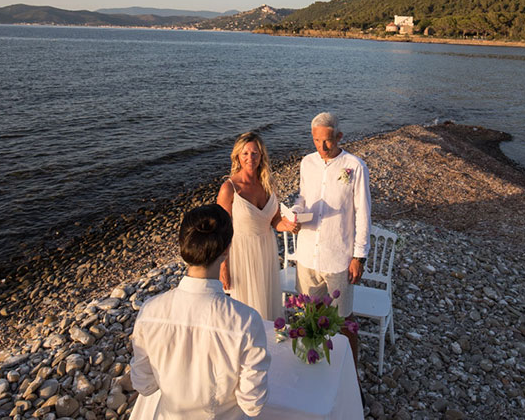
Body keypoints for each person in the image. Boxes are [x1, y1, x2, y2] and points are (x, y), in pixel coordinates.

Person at [129, 204, 270, 420]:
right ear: (226, 249)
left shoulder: (149, 312)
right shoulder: (246, 322)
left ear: (183, 247)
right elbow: (252, 405)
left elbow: (144, 386)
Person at [292, 112, 370, 367]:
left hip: (338, 257)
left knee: (344, 322)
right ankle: (314, 365)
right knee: (309, 317)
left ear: (339, 136)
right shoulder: (307, 163)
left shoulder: (355, 167)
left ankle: (351, 374)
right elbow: (302, 198)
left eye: (327, 141)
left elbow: (363, 214)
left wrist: (359, 257)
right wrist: (295, 212)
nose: (322, 147)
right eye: (316, 140)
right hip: (306, 256)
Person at [217, 132, 298, 321]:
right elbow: (222, 232)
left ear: (261, 155)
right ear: (237, 155)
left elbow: (275, 221)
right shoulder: (229, 188)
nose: (250, 158)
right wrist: (223, 268)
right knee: (246, 311)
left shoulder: (268, 184)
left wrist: (290, 225)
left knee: (267, 302)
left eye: (254, 153)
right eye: (245, 153)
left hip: (267, 250)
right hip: (242, 254)